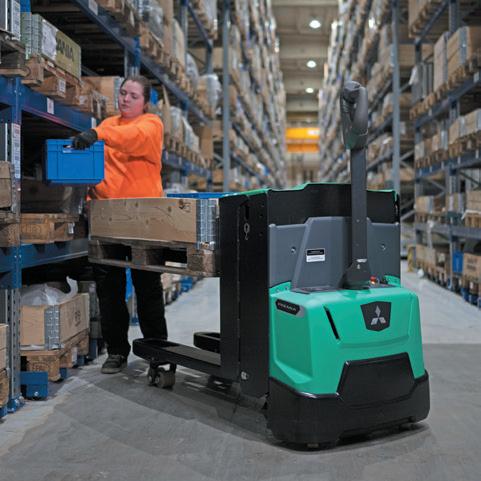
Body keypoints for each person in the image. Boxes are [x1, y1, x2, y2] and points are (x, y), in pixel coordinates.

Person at [73, 75, 167, 374]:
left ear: (145, 102)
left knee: (147, 286)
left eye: (133, 96)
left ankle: (157, 352)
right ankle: (116, 351)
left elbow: (132, 139)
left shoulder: (151, 124)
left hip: (143, 217)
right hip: (108, 216)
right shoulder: (108, 124)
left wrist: (97, 134)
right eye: (123, 93)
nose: (125, 99)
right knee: (109, 288)